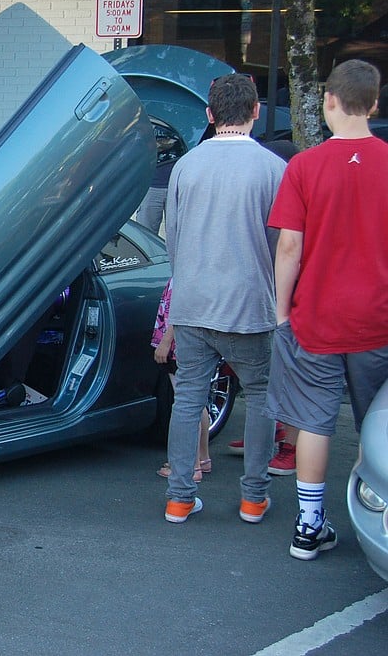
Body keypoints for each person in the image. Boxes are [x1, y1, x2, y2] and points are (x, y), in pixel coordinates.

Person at [264, 59, 388, 560]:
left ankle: (309, 525)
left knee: (315, 421)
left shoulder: (304, 167)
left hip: (315, 316)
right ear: (374, 104)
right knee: (374, 423)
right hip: (377, 318)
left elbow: (289, 247)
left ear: (328, 101)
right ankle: (374, 517)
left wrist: (280, 312)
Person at [162, 73, 286, 524]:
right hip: (251, 305)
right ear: (256, 111)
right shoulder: (274, 169)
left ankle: (179, 496)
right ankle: (253, 497)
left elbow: (173, 240)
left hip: (193, 301)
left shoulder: (186, 166)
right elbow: (281, 246)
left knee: (189, 398)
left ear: (210, 115)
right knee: (259, 397)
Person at [152, 278, 212, 484]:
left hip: (179, 346)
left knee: (186, 403)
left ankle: (190, 466)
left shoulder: (187, 272)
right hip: (195, 343)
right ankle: (202, 458)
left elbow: (182, 309)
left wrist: (166, 341)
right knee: (196, 401)